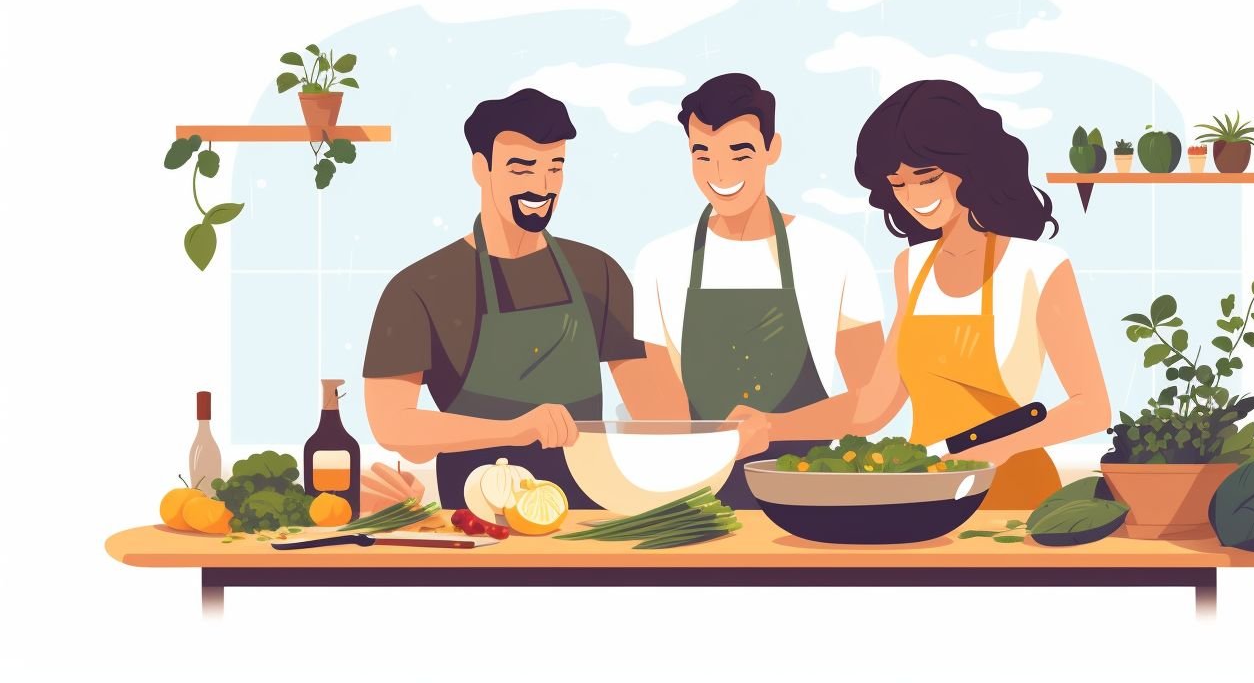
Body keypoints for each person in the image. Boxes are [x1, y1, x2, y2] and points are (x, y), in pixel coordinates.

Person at [746, 79, 1111, 509]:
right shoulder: (912, 268)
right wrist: (770, 426)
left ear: (970, 166)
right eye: (898, 184)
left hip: (1013, 490)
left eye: (927, 177)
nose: (914, 198)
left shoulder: (1038, 267)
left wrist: (993, 451)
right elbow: (874, 407)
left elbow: (1092, 407)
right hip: (926, 487)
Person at [362, 88, 676, 510]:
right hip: (477, 517)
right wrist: (515, 430)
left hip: (592, 514)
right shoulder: (420, 287)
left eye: (555, 168)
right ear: (481, 168)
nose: (542, 187)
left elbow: (656, 412)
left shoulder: (597, 272)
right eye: (521, 168)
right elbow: (394, 426)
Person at [632, 73, 885, 508]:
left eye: (739, 153)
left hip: (811, 484)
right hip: (697, 491)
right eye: (702, 154)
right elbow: (661, 406)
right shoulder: (659, 261)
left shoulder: (834, 252)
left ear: (773, 149)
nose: (720, 173)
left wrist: (772, 428)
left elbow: (873, 401)